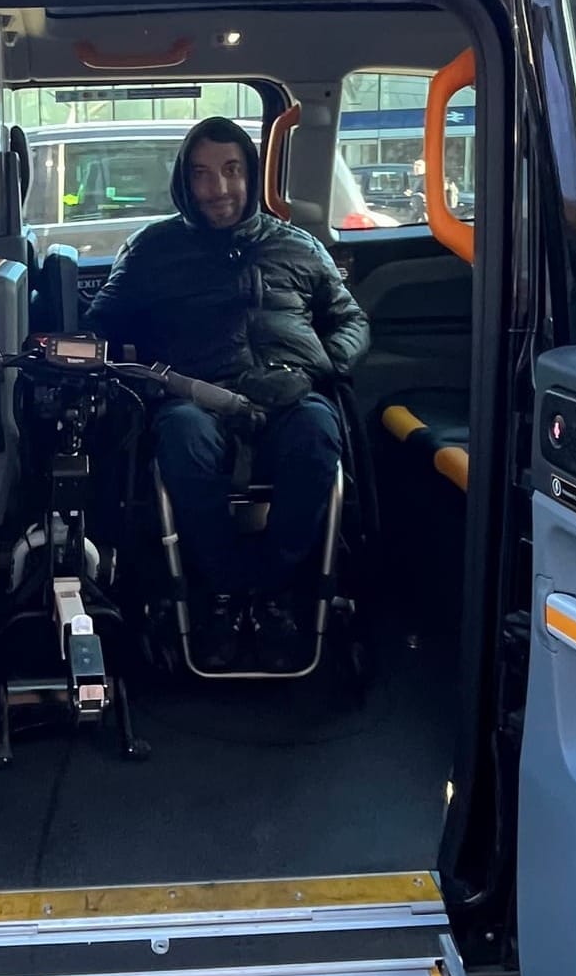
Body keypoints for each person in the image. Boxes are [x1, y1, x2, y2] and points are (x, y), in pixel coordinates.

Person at [87, 116, 370, 673]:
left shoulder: (299, 246)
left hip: (290, 393)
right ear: (184, 182)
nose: (219, 188)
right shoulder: (151, 250)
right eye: (202, 174)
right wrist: (145, 376)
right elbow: (99, 328)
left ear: (251, 175)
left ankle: (272, 594)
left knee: (319, 431)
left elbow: (351, 321)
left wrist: (316, 368)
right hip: (194, 397)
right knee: (183, 436)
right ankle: (222, 592)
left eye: (232, 170)